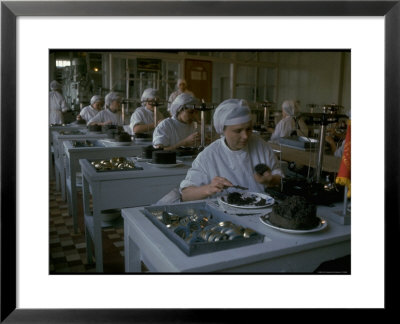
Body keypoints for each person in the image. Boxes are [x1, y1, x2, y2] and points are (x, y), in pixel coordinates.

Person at [180, 98, 282, 202]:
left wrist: (271, 180)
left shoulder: (261, 146)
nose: (245, 136)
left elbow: (278, 176)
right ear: (222, 130)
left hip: (260, 211)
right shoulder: (209, 156)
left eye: (249, 129)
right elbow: (186, 195)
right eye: (238, 131)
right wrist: (208, 189)